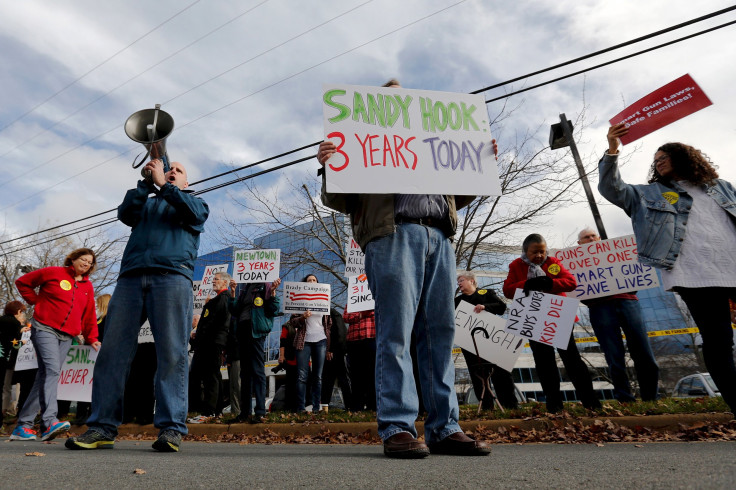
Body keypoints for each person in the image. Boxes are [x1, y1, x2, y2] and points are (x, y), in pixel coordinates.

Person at [317, 78, 492, 458]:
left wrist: (479, 166)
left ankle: (444, 428)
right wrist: (330, 164)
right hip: (393, 235)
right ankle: (397, 426)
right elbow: (340, 198)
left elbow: (456, 197)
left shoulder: (434, 143)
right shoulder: (364, 143)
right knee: (395, 332)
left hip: (439, 239)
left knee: (440, 335)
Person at [66, 159, 209, 452]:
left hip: (171, 277)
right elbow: (125, 213)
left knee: (172, 354)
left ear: (186, 183)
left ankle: (171, 429)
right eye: (169, 169)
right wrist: (145, 183)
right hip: (131, 279)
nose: (172, 171)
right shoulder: (146, 202)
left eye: (179, 171)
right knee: (111, 355)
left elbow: (193, 213)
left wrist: (164, 185)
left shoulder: (195, 203)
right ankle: (102, 427)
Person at [598, 124, 736, 414]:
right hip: (695, 275)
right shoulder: (649, 194)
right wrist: (612, 149)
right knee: (718, 342)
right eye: (655, 160)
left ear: (684, 158)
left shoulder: (721, 188)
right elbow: (612, 189)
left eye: (663, 157)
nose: (657, 162)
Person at [502, 234, 601, 413]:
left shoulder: (553, 262)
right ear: (525, 251)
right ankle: (554, 403)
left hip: (558, 314)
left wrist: (550, 283)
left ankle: (590, 401)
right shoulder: (516, 265)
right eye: (535, 252)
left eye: (542, 251)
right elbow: (508, 290)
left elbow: (571, 282)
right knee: (543, 360)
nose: (539, 255)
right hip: (533, 316)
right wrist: (527, 283)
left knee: (571, 358)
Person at [10, 249, 100, 442]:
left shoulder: (87, 287)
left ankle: (22, 426)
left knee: (44, 377)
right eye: (83, 259)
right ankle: (50, 421)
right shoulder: (53, 273)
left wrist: (92, 337)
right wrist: (37, 301)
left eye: (90, 262)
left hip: (67, 335)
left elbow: (89, 313)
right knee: (51, 371)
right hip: (44, 328)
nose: (86, 264)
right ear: (73, 260)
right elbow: (22, 282)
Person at [577, 227, 659, 402]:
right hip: (599, 308)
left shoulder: (617, 252)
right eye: (586, 237)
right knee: (613, 355)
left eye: (593, 236)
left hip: (628, 302)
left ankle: (650, 397)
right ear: (579, 243)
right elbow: (578, 291)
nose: (591, 239)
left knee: (643, 351)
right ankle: (624, 397)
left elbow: (636, 276)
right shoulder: (577, 264)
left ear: (599, 238)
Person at [454, 272, 517, 410]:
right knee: (478, 375)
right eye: (458, 281)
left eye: (461, 280)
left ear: (471, 281)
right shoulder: (457, 301)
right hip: (471, 345)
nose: (459, 283)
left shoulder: (486, 293)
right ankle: (486, 407)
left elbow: (501, 307)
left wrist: (485, 307)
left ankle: (510, 406)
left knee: (501, 373)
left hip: (492, 341)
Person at [229, 277, 282, 423]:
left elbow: (274, 310)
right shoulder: (245, 288)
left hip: (256, 332)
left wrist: (273, 293)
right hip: (243, 332)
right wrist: (232, 293)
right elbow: (234, 310)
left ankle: (260, 412)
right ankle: (244, 412)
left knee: (258, 371)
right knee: (245, 374)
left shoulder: (265, 286)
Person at [189, 272, 232, 419]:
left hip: (212, 343)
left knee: (211, 376)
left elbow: (214, 322)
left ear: (225, 283)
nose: (213, 281)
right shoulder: (215, 300)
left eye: (216, 279)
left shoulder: (223, 299)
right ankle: (216, 408)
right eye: (213, 279)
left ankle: (209, 409)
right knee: (211, 375)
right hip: (208, 342)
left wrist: (201, 333)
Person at [286, 274, 331, 413]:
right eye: (309, 280)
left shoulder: (324, 299)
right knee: (302, 376)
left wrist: (329, 344)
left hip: (321, 341)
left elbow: (328, 324)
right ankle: (300, 408)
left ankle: (316, 408)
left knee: (318, 376)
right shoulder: (299, 300)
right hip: (303, 342)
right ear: (305, 284)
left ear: (318, 283)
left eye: (314, 280)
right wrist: (302, 318)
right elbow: (292, 322)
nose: (312, 282)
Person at [343, 307, 376, 412]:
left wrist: (369, 312)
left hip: (372, 338)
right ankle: (357, 407)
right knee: (356, 375)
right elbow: (346, 317)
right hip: (354, 340)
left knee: (372, 374)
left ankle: (373, 406)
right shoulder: (352, 300)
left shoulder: (375, 298)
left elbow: (381, 314)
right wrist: (361, 315)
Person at [0, 301, 27, 420]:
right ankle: (8, 411)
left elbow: (5, 336)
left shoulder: (2, 320)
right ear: (18, 311)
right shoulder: (14, 323)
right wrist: (22, 342)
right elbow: (12, 342)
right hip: (6, 359)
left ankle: (4, 409)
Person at [321, 307, 352, 408]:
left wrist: (331, 349)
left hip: (336, 351)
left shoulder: (333, 314)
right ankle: (327, 405)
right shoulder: (331, 314)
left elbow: (339, 332)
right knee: (330, 379)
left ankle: (348, 405)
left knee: (335, 379)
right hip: (333, 351)